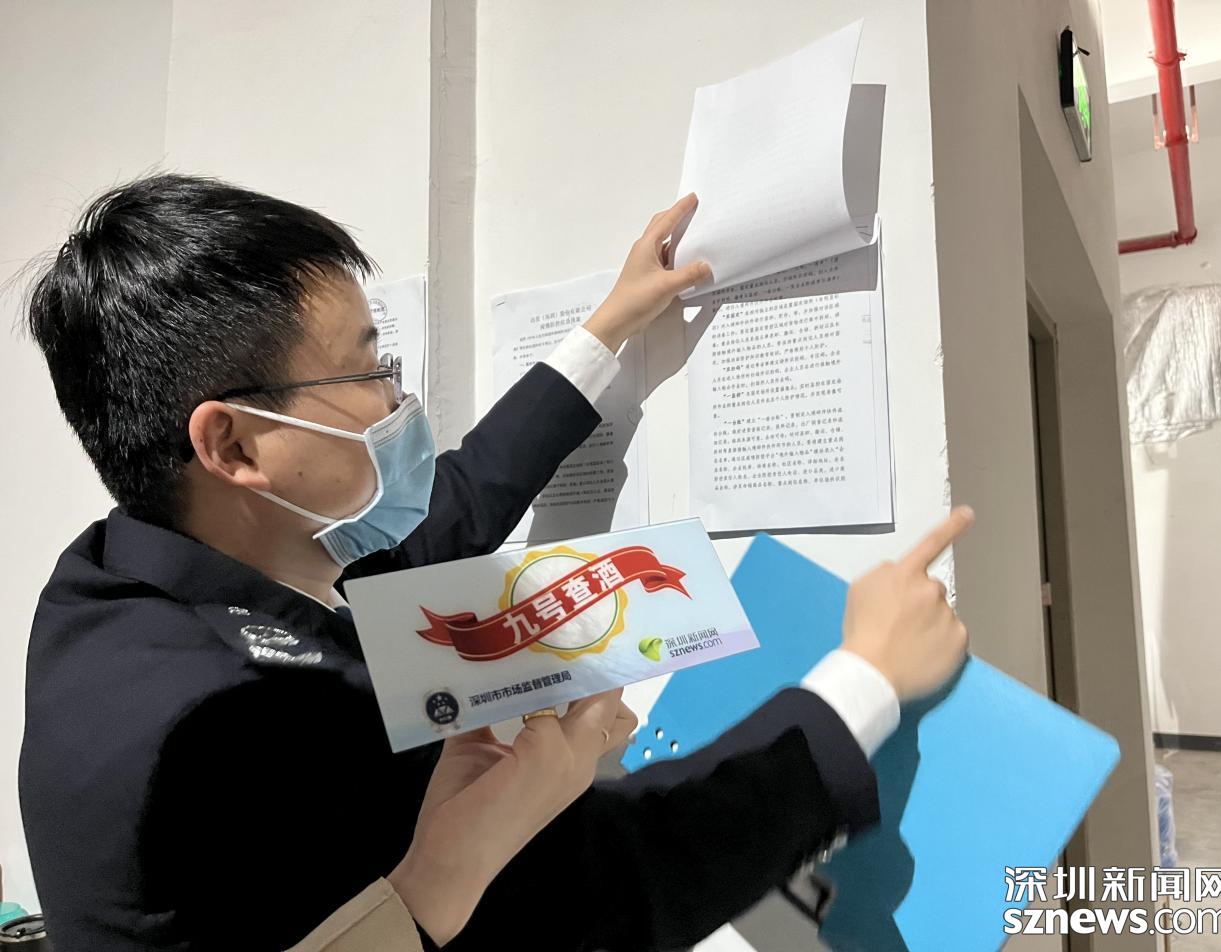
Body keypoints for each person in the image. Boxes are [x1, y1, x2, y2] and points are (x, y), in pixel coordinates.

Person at [18, 173, 971, 951]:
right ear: (233, 444)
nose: (399, 401)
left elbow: (454, 507)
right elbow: (605, 889)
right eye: (369, 370)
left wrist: (605, 330)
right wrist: (866, 681)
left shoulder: (122, 577)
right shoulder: (249, 733)